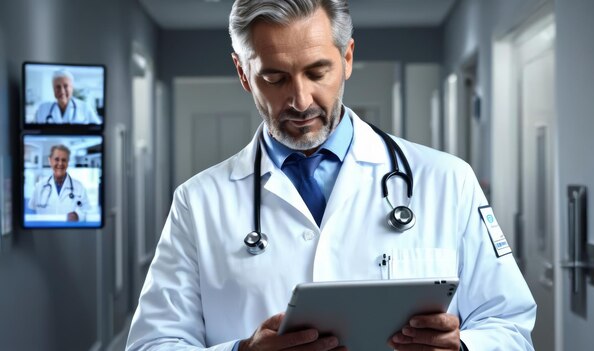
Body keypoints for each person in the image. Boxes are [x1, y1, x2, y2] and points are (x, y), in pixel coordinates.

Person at [126, 0, 536, 350]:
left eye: (317, 72)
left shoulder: (448, 181)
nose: (300, 100)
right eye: (275, 78)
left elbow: (511, 325)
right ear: (242, 73)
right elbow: (152, 342)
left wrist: (464, 346)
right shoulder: (197, 203)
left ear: (348, 58)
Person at [28, 144, 90, 222]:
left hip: (70, 232)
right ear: (50, 160)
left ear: (68, 162)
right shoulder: (39, 186)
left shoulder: (79, 187)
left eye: (64, 160)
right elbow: (31, 212)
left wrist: (77, 216)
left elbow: (86, 212)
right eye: (57, 159)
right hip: (44, 232)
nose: (60, 163)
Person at [33, 69, 101, 124]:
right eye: (57, 87)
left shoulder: (85, 107)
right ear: (53, 89)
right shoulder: (42, 109)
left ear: (72, 88)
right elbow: (33, 134)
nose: (62, 91)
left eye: (65, 86)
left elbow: (98, 131)